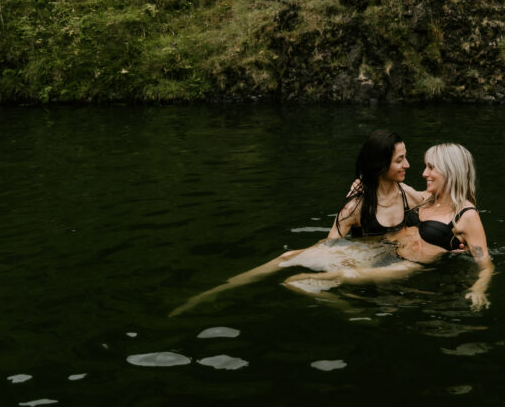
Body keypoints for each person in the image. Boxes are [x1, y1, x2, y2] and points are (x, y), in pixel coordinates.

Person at [169, 130, 424, 316]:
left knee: (296, 279)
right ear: (381, 165)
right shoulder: (356, 206)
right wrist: (322, 257)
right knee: (286, 257)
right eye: (399, 160)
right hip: (361, 256)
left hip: (388, 261)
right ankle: (213, 293)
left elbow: (441, 198)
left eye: (405, 157)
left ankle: (348, 308)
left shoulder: (406, 194)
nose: (408, 165)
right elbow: (331, 243)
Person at [285, 142, 493, 310]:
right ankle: (251, 278)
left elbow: (485, 264)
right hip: (381, 250)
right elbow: (391, 186)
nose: (423, 173)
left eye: (431, 167)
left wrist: (478, 290)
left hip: (407, 266)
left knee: (304, 280)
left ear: (451, 171)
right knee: (289, 258)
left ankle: (348, 308)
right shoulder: (427, 198)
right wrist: (365, 182)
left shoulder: (467, 215)